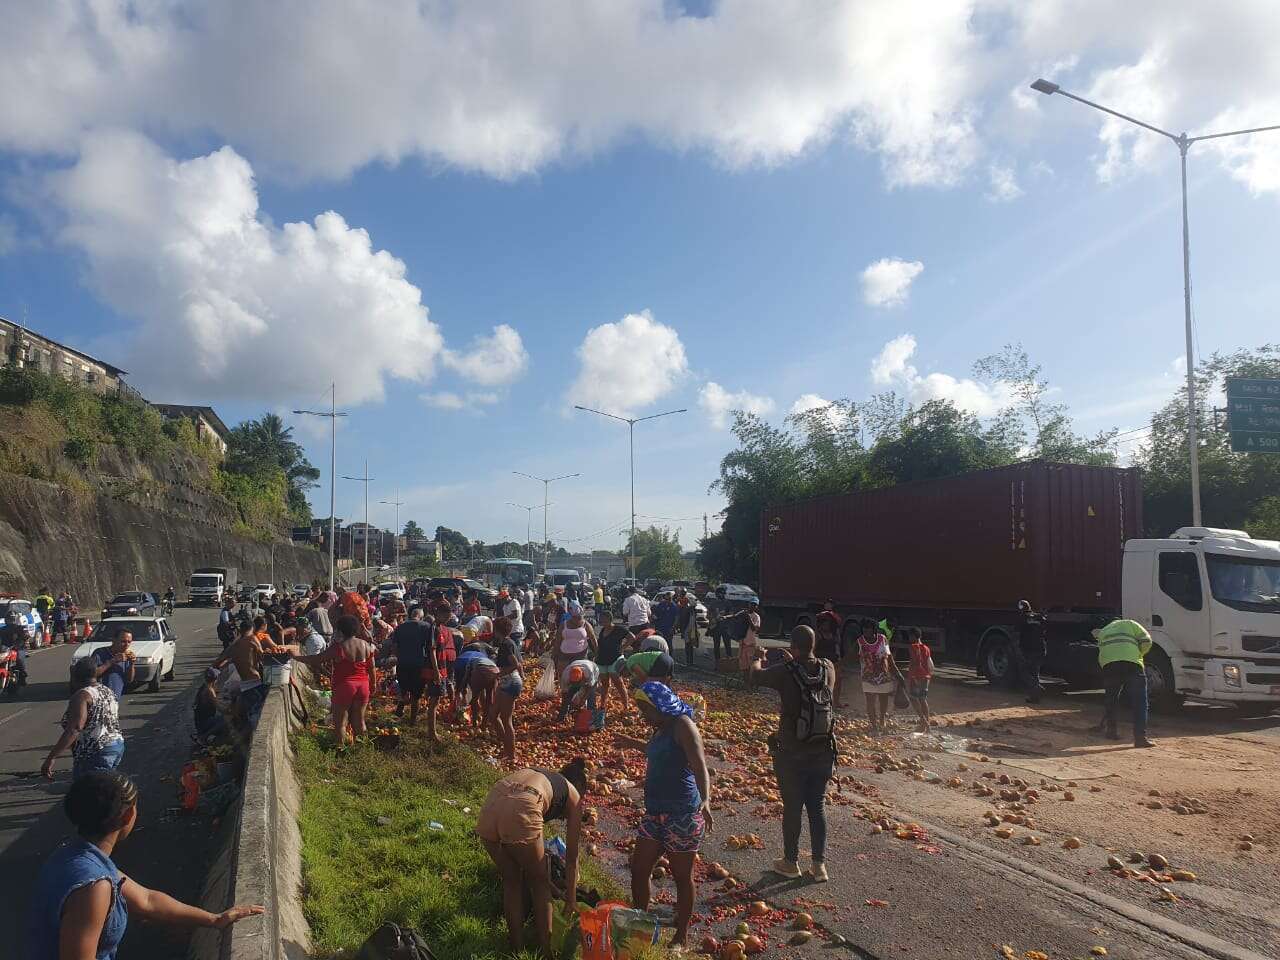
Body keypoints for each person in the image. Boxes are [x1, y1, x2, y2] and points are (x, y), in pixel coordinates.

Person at [27, 771, 263, 960]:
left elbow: (147, 900)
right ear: (128, 816)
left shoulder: (76, 855)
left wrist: (214, 919)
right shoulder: (93, 888)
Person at [747, 625, 836, 882]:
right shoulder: (829, 668)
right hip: (823, 749)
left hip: (791, 752)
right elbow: (812, 682)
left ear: (793, 648)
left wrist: (757, 657)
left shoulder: (785, 672)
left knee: (793, 807)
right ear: (813, 645)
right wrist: (795, 662)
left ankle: (790, 862)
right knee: (816, 807)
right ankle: (819, 866)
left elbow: (755, 677)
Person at [629, 681, 713, 948]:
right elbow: (658, 753)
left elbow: (700, 765)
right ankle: (640, 923)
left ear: (659, 706)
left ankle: (681, 936)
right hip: (655, 812)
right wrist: (629, 743)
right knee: (639, 868)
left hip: (682, 813)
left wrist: (707, 799)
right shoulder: (660, 728)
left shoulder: (683, 725)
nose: (643, 716)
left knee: (681, 876)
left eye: (645, 710)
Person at [476, 759, 587, 958]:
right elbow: (572, 857)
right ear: (579, 786)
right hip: (523, 805)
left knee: (512, 881)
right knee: (540, 884)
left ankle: (516, 950)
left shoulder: (542, 775)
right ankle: (546, 952)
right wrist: (571, 900)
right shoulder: (574, 795)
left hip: (491, 805)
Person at [297, 614, 377, 747]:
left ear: (340, 630)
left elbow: (317, 659)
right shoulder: (366, 645)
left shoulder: (339, 647)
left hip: (344, 686)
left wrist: (297, 657)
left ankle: (340, 749)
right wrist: (373, 684)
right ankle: (363, 750)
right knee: (360, 721)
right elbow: (372, 667)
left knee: (341, 722)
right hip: (363, 685)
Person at [41, 659, 126, 780]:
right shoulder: (107, 691)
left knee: (88, 792)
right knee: (104, 788)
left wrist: (52, 757)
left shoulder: (83, 695)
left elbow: (75, 728)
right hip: (115, 746)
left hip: (95, 751)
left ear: (75, 676)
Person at [1095, 618, 1155, 748]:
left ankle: (1111, 731)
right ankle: (1140, 738)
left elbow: (1101, 652)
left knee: (1111, 699)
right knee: (1140, 702)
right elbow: (1146, 641)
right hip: (1132, 664)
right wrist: (1139, 654)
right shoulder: (1131, 623)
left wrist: (1106, 667)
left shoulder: (1103, 631)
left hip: (1109, 665)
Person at [386, 606, 432, 724]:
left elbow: (395, 647)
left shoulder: (400, 627)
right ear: (421, 617)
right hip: (419, 664)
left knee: (404, 688)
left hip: (403, 663)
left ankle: (400, 708)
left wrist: (395, 659)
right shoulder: (426, 627)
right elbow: (430, 648)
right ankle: (412, 720)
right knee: (416, 695)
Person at [492, 617, 524, 763]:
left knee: (506, 720)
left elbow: (515, 664)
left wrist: (499, 674)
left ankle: (511, 755)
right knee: (493, 715)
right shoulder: (510, 642)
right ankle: (505, 747)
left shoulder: (506, 644)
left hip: (510, 681)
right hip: (508, 681)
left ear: (497, 630)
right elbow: (520, 665)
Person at [858, 619, 895, 732]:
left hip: (883, 675)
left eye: (868, 628)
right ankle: (874, 725)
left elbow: (889, 656)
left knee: (883, 698)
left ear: (873, 629)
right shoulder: (860, 642)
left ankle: (882, 719)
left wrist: (896, 671)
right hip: (868, 676)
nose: (866, 631)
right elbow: (850, 656)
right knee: (870, 701)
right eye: (864, 629)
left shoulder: (883, 639)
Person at [595, 610, 632, 714]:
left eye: (602, 619)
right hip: (602, 660)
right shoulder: (603, 630)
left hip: (615, 658)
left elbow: (632, 637)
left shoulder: (618, 629)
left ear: (609, 619)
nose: (600, 621)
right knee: (605, 684)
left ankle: (626, 705)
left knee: (617, 681)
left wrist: (623, 647)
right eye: (600, 619)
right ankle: (602, 705)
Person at [554, 606, 597, 688]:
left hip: (580, 655)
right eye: (575, 618)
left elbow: (593, 638)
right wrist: (555, 654)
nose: (577, 620)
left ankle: (578, 695)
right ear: (571, 616)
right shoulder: (564, 625)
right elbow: (558, 640)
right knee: (564, 677)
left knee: (579, 676)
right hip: (564, 654)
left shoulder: (585, 624)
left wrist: (597, 652)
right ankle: (565, 694)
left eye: (579, 618)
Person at [814, 600, 845, 706]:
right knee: (822, 681)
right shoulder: (818, 635)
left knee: (838, 680)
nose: (826, 625)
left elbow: (837, 647)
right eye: (824, 623)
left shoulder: (834, 635)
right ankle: (820, 700)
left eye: (828, 623)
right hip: (821, 660)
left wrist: (839, 659)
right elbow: (813, 649)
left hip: (833, 660)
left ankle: (836, 701)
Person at [91, 631, 136, 700]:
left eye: (129, 642)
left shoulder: (126, 656)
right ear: (114, 640)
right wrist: (113, 661)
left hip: (114, 699)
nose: (126, 645)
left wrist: (132, 664)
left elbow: (129, 679)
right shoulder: (100, 653)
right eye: (123, 641)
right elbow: (92, 674)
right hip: (98, 698)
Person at [1017, 600, 1047, 704]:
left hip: (1029, 649)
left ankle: (1037, 688)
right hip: (1041, 648)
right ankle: (1035, 697)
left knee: (1024, 672)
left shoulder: (1022, 618)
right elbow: (1045, 628)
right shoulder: (1039, 617)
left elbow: (1018, 630)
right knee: (1035, 672)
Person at [905, 626, 934, 731]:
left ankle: (924, 722)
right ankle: (927, 723)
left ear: (913, 636)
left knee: (913, 698)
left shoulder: (913, 647)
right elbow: (930, 665)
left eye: (909, 636)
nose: (909, 638)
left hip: (917, 676)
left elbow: (916, 662)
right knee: (923, 699)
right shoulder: (926, 648)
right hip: (925, 677)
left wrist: (913, 677)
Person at [193, 666, 227, 740]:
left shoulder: (203, 687)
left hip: (199, 722)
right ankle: (204, 736)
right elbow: (220, 708)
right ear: (215, 679)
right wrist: (230, 710)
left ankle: (203, 734)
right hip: (204, 723)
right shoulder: (210, 691)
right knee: (225, 720)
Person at [0, 610, 29, 685]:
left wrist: (25, 636)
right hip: (5, 649)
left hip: (18, 648)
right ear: (6, 620)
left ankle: (23, 676)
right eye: (9, 619)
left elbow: (26, 635)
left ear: (16, 619)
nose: (11, 621)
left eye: (12, 619)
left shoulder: (21, 628)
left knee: (19, 658)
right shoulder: (2, 629)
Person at [675, 589, 697, 666]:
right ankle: (690, 661)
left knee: (688, 645)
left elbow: (681, 620)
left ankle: (689, 661)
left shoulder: (686, 609)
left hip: (687, 629)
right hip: (689, 629)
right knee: (689, 645)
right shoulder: (688, 609)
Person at [737, 603, 761, 671]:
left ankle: (750, 679)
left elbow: (754, 629)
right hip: (742, 643)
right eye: (751, 605)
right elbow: (735, 617)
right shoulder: (743, 614)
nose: (752, 607)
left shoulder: (756, 616)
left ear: (756, 608)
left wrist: (749, 618)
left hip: (750, 643)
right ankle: (745, 679)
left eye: (754, 606)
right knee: (743, 666)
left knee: (750, 665)